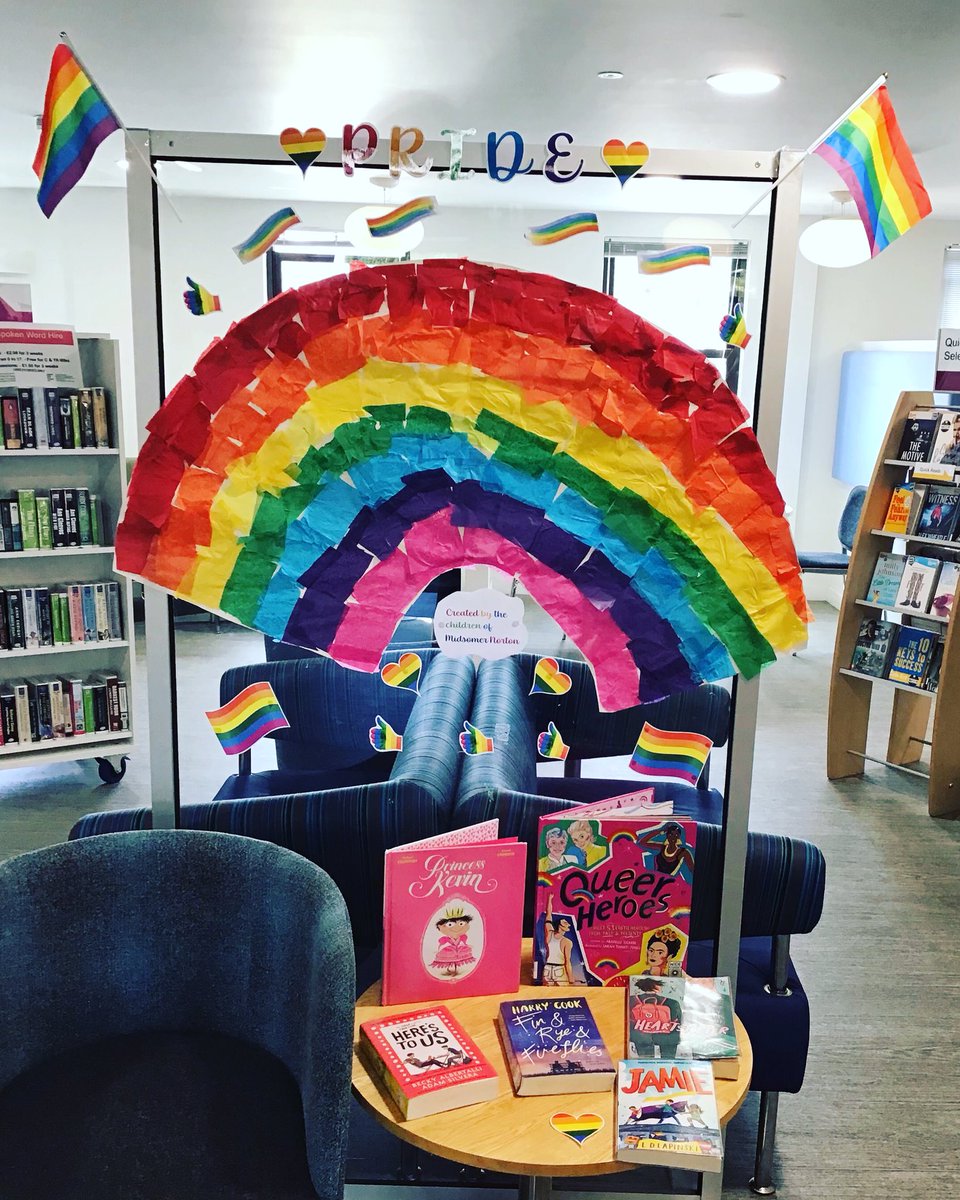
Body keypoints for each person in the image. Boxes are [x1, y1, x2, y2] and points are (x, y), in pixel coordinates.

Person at [629, 977, 682, 1058]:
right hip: (667, 1037)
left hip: (641, 1036)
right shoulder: (672, 1002)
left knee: (645, 1061)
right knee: (668, 1061)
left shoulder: (631, 1000)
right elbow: (679, 1021)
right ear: (656, 986)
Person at [429, 905, 475, 976]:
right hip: (449, 950)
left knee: (456, 962)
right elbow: (442, 944)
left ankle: (455, 970)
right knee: (449, 960)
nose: (456, 927)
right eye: (450, 924)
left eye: (461, 924)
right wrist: (439, 950)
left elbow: (464, 942)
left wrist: (467, 945)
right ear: (441, 926)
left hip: (459, 950)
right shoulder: (445, 939)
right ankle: (448, 970)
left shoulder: (463, 937)